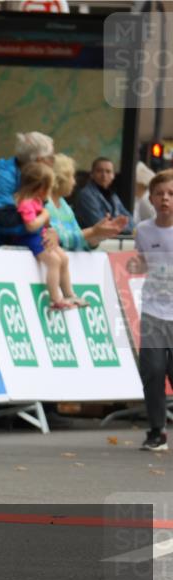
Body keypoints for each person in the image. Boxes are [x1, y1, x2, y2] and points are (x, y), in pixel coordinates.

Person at [127, 169, 173, 452]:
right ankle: (156, 430)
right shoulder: (143, 230)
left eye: (171, 194)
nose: (165, 199)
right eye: (160, 194)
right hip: (155, 310)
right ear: (152, 198)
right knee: (153, 370)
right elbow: (142, 263)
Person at [13, 162, 85, 310]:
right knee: (54, 262)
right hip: (31, 239)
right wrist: (45, 215)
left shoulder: (37, 201)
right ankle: (55, 298)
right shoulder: (26, 202)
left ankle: (69, 294)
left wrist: (47, 224)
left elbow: (43, 225)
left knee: (63, 258)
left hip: (39, 236)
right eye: (49, 188)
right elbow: (31, 225)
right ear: (41, 188)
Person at [46, 154, 124, 252]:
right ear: (60, 178)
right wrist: (93, 231)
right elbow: (58, 240)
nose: (74, 182)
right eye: (71, 176)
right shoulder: (44, 204)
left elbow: (77, 239)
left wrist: (98, 236)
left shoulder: (64, 205)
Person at [73, 156, 132, 233]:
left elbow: (131, 221)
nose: (104, 175)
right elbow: (100, 225)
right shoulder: (86, 195)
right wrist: (119, 224)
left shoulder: (113, 196)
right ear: (92, 174)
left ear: (113, 175)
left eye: (108, 171)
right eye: (99, 171)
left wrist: (117, 225)